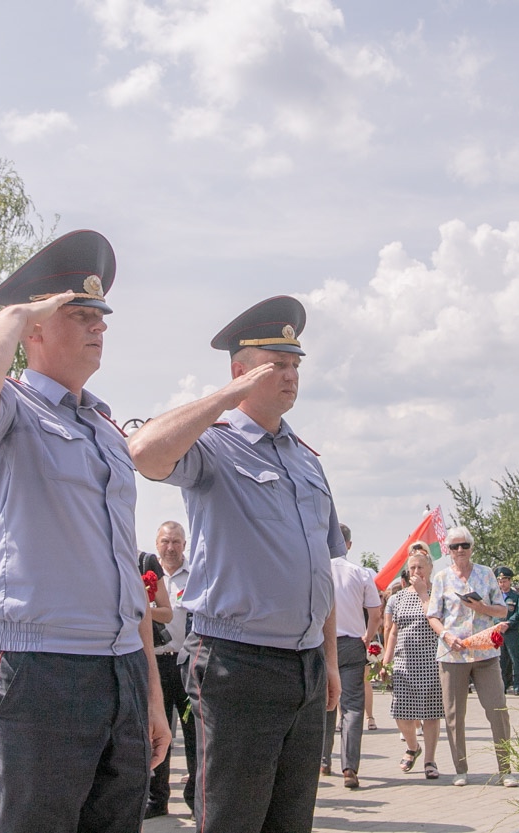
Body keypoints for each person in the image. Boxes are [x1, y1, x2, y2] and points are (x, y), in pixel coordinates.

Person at [0, 230, 169, 833]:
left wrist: (150, 694)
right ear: (34, 329)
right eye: (80, 313)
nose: (99, 326)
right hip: (38, 672)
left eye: (101, 316)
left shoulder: (106, 427)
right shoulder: (9, 409)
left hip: (117, 667)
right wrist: (17, 311)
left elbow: (123, 566)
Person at [127, 295, 344, 833]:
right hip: (238, 664)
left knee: (290, 822)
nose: (290, 375)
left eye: (295, 364)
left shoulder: (307, 460)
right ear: (241, 371)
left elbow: (323, 567)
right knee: (232, 820)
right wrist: (226, 398)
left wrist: (331, 661)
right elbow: (144, 452)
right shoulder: (215, 448)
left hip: (306, 664)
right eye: (277, 364)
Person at [426, 526, 515, 788]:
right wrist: (445, 635)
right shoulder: (442, 578)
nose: (460, 550)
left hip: (485, 652)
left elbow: (502, 611)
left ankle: (505, 769)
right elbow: (433, 614)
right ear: (449, 551)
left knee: (497, 709)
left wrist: (482, 607)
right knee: (454, 714)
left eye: (464, 545)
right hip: (453, 654)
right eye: (455, 546)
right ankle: (461, 768)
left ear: (471, 547)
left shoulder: (486, 574)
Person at [321, 524, 382, 789]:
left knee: (324, 703)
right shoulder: (361, 573)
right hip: (351, 643)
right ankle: (350, 767)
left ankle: (323, 760)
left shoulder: (317, 571)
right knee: (353, 707)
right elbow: (376, 612)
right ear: (348, 544)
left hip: (321, 644)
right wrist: (368, 636)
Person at [146, 521, 196, 819]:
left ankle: (195, 796)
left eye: (176, 541)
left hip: (186, 663)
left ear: (184, 545)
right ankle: (157, 798)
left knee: (193, 733)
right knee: (157, 731)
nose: (171, 547)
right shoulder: (149, 578)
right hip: (157, 663)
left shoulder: (197, 575)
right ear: (157, 544)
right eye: (165, 541)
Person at [384, 544, 443, 780]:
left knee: (430, 713)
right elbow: (393, 632)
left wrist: (423, 594)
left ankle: (430, 759)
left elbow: (438, 622)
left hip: (430, 660)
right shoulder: (398, 597)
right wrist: (386, 662)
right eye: (412, 568)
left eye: (420, 567)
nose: (416, 571)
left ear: (429, 569)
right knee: (402, 713)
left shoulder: (436, 594)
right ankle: (412, 747)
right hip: (404, 662)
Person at [494, 567, 519, 695]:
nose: (502, 583)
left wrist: (509, 623)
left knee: (515, 658)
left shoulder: (516, 596)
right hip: (499, 631)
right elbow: (491, 612)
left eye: (504, 581)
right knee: (501, 659)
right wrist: (498, 623)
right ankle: (503, 685)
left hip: (511, 631)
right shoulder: (495, 596)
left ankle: (517, 685)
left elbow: (518, 613)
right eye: (500, 581)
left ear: (510, 581)